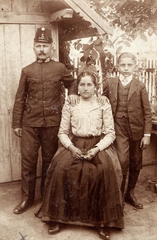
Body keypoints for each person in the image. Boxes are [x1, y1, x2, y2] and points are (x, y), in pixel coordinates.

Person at [36, 65, 124, 240]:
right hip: (74, 143)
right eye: (82, 84)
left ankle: (103, 222)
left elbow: (110, 133)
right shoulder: (71, 103)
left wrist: (97, 149)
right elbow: (62, 132)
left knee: (104, 171)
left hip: (98, 144)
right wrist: (71, 148)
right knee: (60, 169)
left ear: (95, 86)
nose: (85, 88)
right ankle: (57, 217)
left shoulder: (102, 103)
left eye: (89, 84)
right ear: (78, 86)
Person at [12, 27, 77, 214]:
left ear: (51, 48)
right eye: (38, 45)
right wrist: (17, 123)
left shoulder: (60, 68)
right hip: (30, 124)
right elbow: (20, 98)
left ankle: (47, 199)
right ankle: (27, 199)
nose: (42, 49)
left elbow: (72, 83)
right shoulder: (27, 71)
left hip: (52, 123)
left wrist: (72, 93)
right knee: (28, 163)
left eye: (45, 46)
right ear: (33, 47)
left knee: (49, 161)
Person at [103, 52, 152, 209]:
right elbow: (101, 103)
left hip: (136, 130)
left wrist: (146, 134)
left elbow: (147, 111)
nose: (126, 68)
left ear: (135, 67)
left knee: (136, 162)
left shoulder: (140, 86)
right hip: (118, 128)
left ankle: (130, 193)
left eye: (129, 65)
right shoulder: (110, 83)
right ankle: (119, 195)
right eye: (123, 65)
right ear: (118, 66)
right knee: (122, 160)